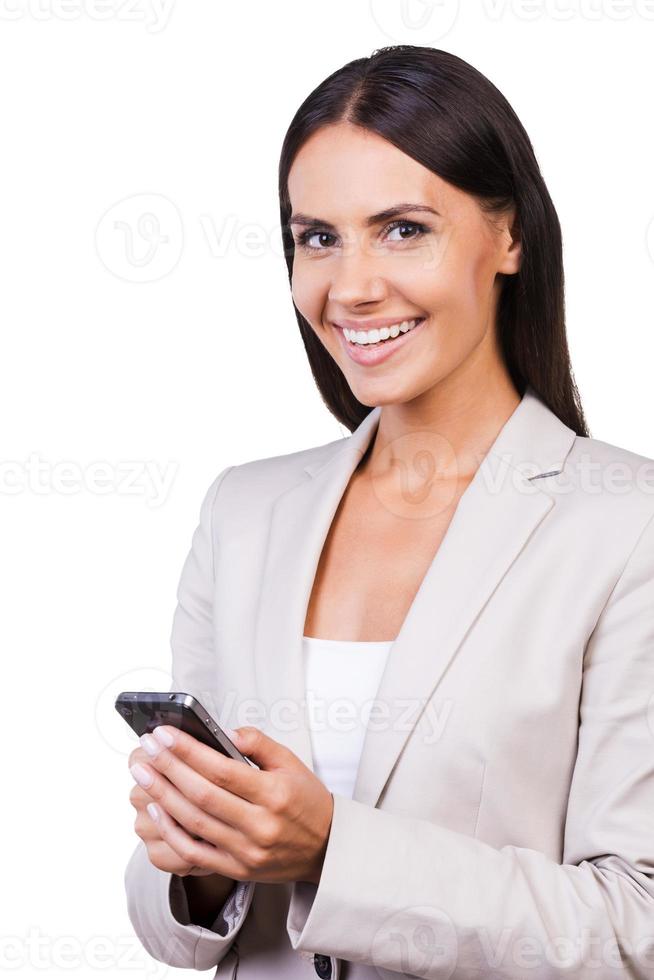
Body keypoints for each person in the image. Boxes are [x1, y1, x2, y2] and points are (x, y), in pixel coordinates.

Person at [123, 45, 654, 979]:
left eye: (403, 229)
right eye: (317, 236)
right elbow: (176, 923)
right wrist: (202, 862)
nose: (352, 286)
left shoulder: (624, 526)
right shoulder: (244, 514)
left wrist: (333, 850)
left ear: (510, 237)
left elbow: (633, 923)